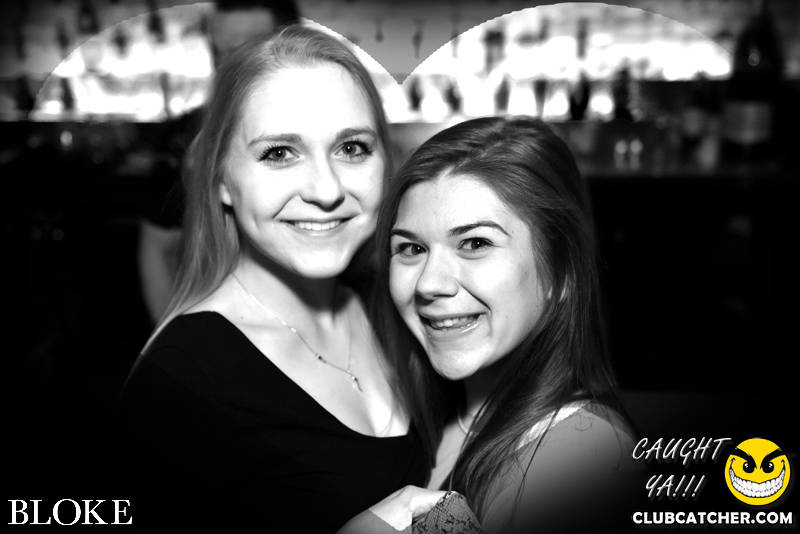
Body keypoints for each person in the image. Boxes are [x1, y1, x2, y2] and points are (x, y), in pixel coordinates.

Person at [116, 25, 427, 530]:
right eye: (279, 153)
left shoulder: (389, 307)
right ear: (221, 179)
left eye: (352, 148)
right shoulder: (182, 380)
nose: (326, 190)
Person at [343, 116, 642, 533]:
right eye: (411, 248)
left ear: (560, 275)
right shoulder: (422, 414)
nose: (429, 284)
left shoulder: (585, 455)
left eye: (475, 243)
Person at [137, 0, 301, 324]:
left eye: (242, 51)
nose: (226, 67)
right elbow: (157, 249)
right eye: (218, 52)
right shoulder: (183, 138)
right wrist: (171, 338)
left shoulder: (334, 125)